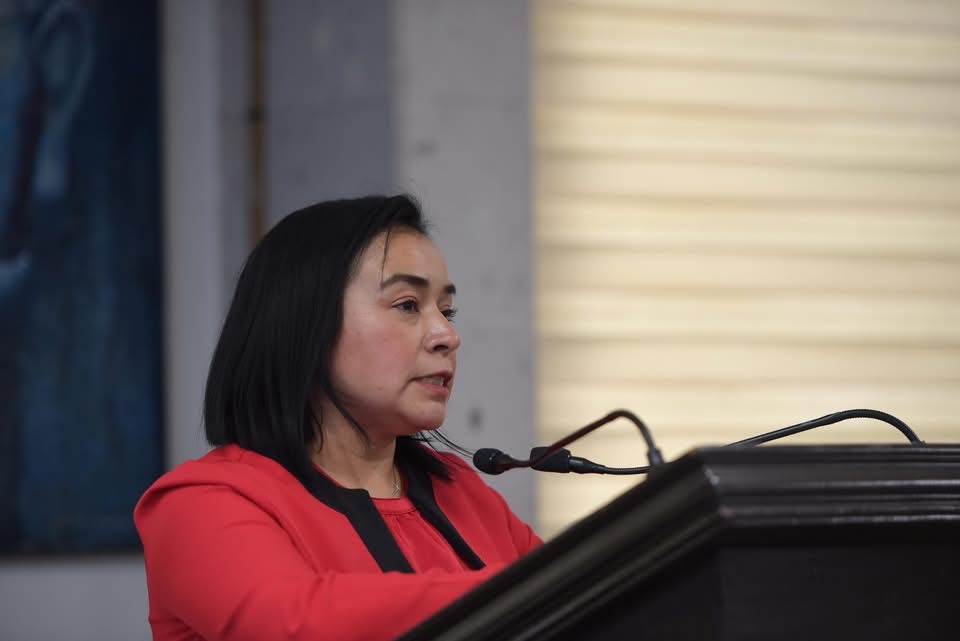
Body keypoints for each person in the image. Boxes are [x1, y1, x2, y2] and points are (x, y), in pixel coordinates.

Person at [134, 195, 541, 641]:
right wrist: (520, 591)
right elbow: (296, 625)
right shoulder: (200, 503)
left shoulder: (462, 490)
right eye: (408, 305)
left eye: (447, 311)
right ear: (306, 323)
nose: (447, 335)